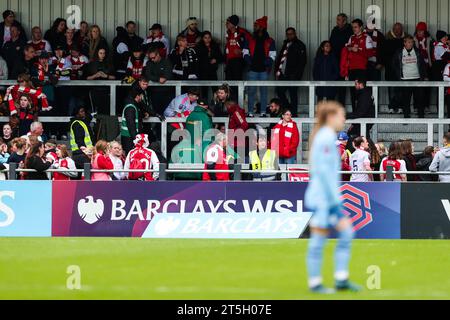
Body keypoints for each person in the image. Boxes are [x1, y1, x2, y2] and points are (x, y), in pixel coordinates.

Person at [304, 101, 360, 294]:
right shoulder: (326, 138)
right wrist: (334, 202)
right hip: (324, 199)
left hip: (326, 198)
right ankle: (316, 283)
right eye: (341, 115)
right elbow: (323, 172)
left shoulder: (326, 137)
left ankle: (341, 279)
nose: (343, 119)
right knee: (320, 240)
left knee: (346, 234)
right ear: (330, 117)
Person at [244, 16, 276, 117]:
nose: (254, 26)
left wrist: (266, 63)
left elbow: (273, 55)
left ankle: (263, 112)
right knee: (251, 92)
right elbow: (245, 52)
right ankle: (250, 112)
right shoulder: (250, 39)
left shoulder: (270, 41)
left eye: (256, 25)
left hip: (264, 71)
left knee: (264, 92)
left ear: (262, 27)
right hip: (252, 70)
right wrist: (250, 62)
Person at [340, 19, 375, 112]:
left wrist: (358, 50)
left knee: (361, 91)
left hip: (362, 69)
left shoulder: (366, 37)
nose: (354, 29)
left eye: (355, 27)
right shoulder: (351, 37)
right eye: (352, 27)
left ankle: (362, 112)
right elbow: (346, 49)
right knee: (353, 92)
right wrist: (350, 48)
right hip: (351, 69)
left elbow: (371, 53)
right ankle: (355, 112)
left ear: (361, 27)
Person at [392, 35, 427, 118]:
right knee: (406, 99)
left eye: (411, 42)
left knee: (419, 98)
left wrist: (424, 76)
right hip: (405, 79)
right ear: (404, 43)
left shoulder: (417, 51)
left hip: (417, 78)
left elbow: (422, 65)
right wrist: (399, 74)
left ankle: (421, 116)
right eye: (408, 42)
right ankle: (406, 116)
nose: (410, 44)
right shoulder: (399, 52)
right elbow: (394, 64)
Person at [275, 27, 306, 116]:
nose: (289, 35)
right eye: (288, 34)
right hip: (283, 74)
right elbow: (281, 59)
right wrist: (277, 71)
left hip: (293, 76)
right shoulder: (285, 44)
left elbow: (302, 62)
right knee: (279, 91)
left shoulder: (300, 45)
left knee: (293, 95)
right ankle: (289, 109)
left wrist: (297, 75)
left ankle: (294, 114)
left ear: (295, 34)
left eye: (291, 33)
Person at [383, 23, 408, 114]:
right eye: (395, 29)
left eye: (399, 29)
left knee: (401, 88)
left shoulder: (406, 39)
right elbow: (384, 53)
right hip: (390, 68)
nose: (397, 30)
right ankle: (392, 107)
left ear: (402, 29)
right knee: (391, 88)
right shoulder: (387, 39)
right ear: (393, 29)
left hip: (402, 68)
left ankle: (401, 106)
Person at [329, 13, 353, 107]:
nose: (338, 22)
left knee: (343, 87)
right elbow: (331, 44)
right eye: (337, 19)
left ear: (345, 21)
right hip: (335, 61)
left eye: (340, 20)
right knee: (334, 85)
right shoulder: (334, 30)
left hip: (346, 61)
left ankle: (341, 108)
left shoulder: (350, 30)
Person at [143, 46, 173, 115]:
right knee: (156, 112)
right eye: (150, 58)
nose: (152, 59)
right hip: (155, 92)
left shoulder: (166, 61)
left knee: (166, 112)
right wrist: (158, 79)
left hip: (167, 92)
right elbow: (147, 75)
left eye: (153, 57)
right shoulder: (149, 63)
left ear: (158, 55)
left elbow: (168, 75)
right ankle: (157, 126)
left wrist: (158, 78)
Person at [196, 31, 224, 99]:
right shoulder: (199, 47)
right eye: (205, 38)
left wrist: (216, 60)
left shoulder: (215, 46)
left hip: (212, 71)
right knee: (204, 91)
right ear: (202, 38)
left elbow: (221, 57)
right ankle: (204, 107)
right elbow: (197, 60)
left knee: (215, 90)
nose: (207, 39)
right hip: (203, 72)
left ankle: (217, 107)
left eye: (209, 37)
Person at [224, 15, 250, 88]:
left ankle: (237, 98)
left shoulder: (242, 32)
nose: (226, 24)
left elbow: (252, 44)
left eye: (228, 22)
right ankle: (230, 98)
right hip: (229, 61)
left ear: (233, 23)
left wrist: (242, 51)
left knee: (237, 82)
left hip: (238, 60)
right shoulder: (228, 33)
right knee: (228, 83)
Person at [414, 22, 433, 114]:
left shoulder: (430, 40)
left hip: (427, 66)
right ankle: (416, 106)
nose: (419, 32)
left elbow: (432, 53)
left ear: (425, 31)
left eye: (421, 31)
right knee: (417, 87)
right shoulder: (413, 40)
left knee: (427, 87)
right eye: (418, 30)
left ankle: (426, 106)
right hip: (417, 66)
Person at [121, 88, 145, 154]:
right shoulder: (130, 107)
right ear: (137, 96)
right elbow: (131, 125)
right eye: (141, 96)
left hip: (129, 137)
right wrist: (136, 139)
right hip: (129, 138)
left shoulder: (133, 106)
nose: (142, 98)